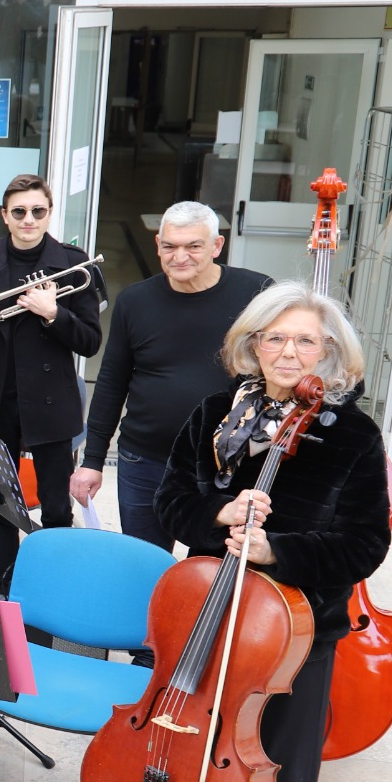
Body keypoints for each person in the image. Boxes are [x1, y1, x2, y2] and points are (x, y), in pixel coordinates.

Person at [155, 283, 389, 782]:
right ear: (252, 344)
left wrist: (274, 550)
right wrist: (219, 513)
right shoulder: (215, 414)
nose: (288, 352)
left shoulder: (353, 434)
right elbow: (170, 502)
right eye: (275, 338)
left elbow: (364, 545)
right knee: (199, 735)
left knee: (275, 755)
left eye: (305, 340)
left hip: (293, 628)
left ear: (328, 351)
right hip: (209, 608)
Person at [70, 201, 274, 551]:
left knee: (210, 568)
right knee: (144, 564)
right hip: (144, 460)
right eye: (170, 246)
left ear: (216, 246)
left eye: (193, 246)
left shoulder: (257, 294)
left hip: (224, 464)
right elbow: (111, 383)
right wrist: (93, 461)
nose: (180, 257)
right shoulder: (134, 301)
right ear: (158, 245)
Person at [0, 173, 104, 595]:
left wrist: (53, 313)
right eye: (19, 211)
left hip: (50, 402)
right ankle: (6, 587)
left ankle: (51, 590)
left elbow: (90, 341)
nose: (28, 219)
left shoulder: (73, 263)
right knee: (1, 505)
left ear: (49, 213)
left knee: (55, 508)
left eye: (37, 211)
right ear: (5, 216)